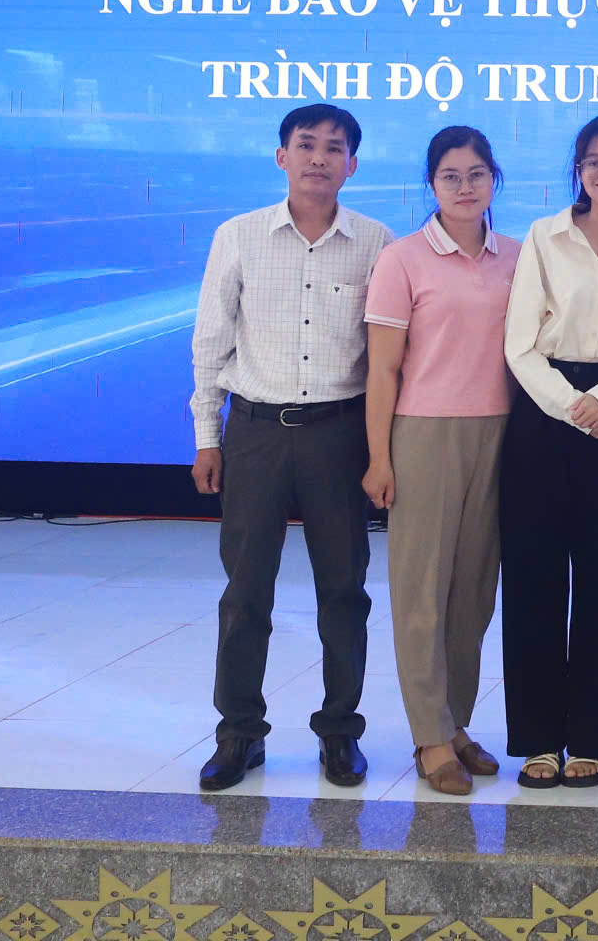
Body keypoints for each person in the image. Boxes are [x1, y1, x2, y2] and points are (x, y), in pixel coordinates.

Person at [189, 103, 394, 792]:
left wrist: (381, 451)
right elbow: (210, 343)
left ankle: (339, 732)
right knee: (246, 593)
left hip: (340, 436)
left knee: (345, 592)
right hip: (255, 434)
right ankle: (238, 733)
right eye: (305, 145)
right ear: (282, 156)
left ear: (352, 165)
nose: (318, 158)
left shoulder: (377, 243)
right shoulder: (239, 235)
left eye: (334, 148)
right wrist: (207, 436)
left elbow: (386, 358)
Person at [500, 115, 598, 788]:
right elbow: (518, 345)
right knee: (533, 582)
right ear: (578, 170)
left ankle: (592, 736)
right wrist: (573, 406)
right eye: (593, 160)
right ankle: (538, 739)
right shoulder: (545, 237)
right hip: (542, 417)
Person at [361, 126, 518, 796]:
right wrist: (379, 458)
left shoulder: (517, 257)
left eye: (476, 174)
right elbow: (382, 370)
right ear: (431, 184)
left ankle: (456, 724)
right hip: (423, 434)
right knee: (422, 591)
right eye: (450, 176)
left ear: (493, 180)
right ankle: (429, 735)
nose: (464, 186)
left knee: (475, 594)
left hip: (501, 432)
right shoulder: (402, 260)